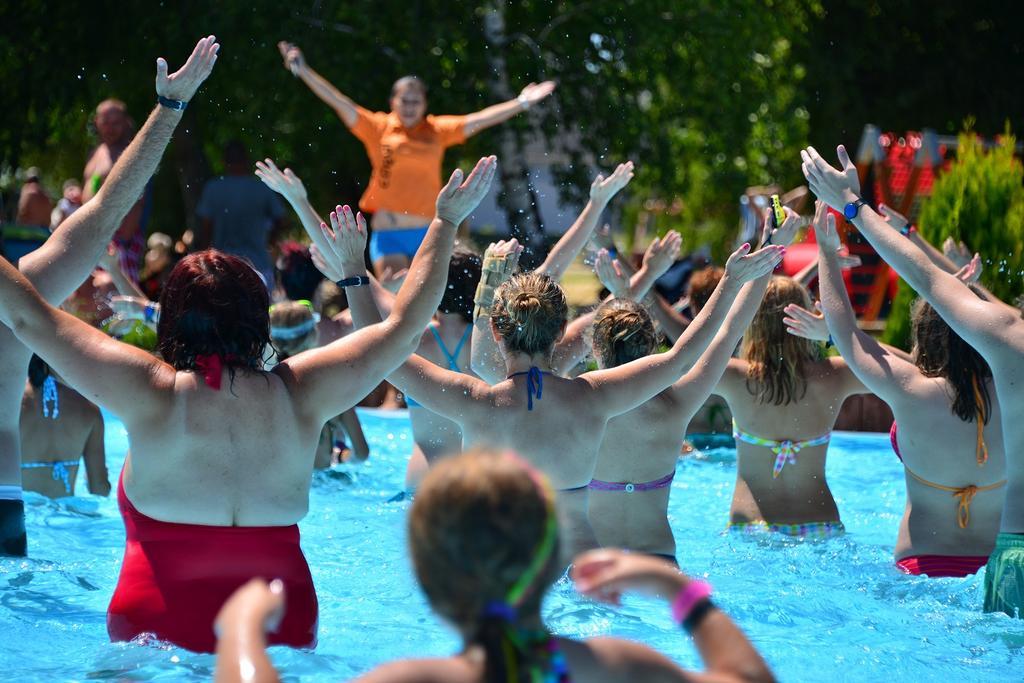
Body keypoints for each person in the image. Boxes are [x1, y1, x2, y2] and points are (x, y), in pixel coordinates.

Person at [0, 147, 496, 652]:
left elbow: (27, 317)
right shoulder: (301, 391)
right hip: (284, 618)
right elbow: (405, 328)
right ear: (258, 320)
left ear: (171, 319)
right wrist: (444, 222)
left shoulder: (147, 391)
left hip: (158, 620)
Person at [322, 206, 784, 561]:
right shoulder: (595, 397)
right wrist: (732, 281)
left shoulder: (475, 403)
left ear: (498, 332)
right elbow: (683, 357)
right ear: (562, 330)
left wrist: (352, 272)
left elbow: (380, 354)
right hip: (584, 566)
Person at [214, 448, 776, 683]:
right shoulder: (608, 666)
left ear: (428, 581)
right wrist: (675, 587)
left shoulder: (418, 681)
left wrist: (240, 630)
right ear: (556, 559)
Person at [0, 36, 220, 558]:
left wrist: (169, 110)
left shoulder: (16, 295)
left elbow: (101, 215)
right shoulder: (16, 298)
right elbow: (102, 216)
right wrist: (169, 109)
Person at [801, 144, 1024, 615]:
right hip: (994, 560)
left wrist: (829, 244)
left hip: (921, 575)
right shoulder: (1012, 377)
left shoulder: (911, 390)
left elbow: (847, 333)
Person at [588, 211, 800, 561]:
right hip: (658, 562)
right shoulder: (677, 404)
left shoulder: (575, 401)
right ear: (654, 345)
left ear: (594, 347)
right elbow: (730, 330)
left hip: (594, 565)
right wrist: (769, 252)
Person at [278, 40, 556, 275]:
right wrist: (303, 71)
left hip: (428, 233)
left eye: (416, 101)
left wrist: (522, 102)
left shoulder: (436, 130)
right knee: (392, 302)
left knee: (432, 309)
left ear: (424, 104)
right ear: (393, 102)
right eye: (404, 100)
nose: (410, 106)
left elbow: (480, 119)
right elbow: (338, 100)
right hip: (389, 235)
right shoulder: (377, 128)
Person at [710, 263, 869, 537]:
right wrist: (839, 335)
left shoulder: (735, 377)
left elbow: (679, 361)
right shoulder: (835, 375)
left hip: (751, 526)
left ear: (753, 321)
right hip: (821, 525)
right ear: (808, 317)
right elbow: (911, 372)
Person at [269, 299, 369, 468]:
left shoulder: (263, 385)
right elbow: (361, 453)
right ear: (314, 334)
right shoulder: (333, 384)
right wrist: (341, 457)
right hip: (324, 481)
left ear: (272, 340)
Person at [196, 141, 288, 290]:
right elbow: (282, 220)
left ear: (224, 161)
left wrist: (203, 259)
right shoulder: (261, 188)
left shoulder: (213, 188)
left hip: (222, 266)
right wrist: (271, 241)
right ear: (247, 160)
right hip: (258, 264)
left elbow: (206, 228)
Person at [20, 356, 109, 498]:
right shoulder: (89, 407)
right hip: (67, 514)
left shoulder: (11, 402)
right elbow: (99, 488)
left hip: (22, 513)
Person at [83, 98, 147, 282]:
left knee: (120, 300)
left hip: (117, 241)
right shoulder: (95, 153)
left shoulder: (129, 153)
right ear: (96, 122)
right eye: (105, 122)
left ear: (126, 122)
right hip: (93, 236)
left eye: (115, 123)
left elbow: (137, 201)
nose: (110, 128)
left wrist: (122, 242)